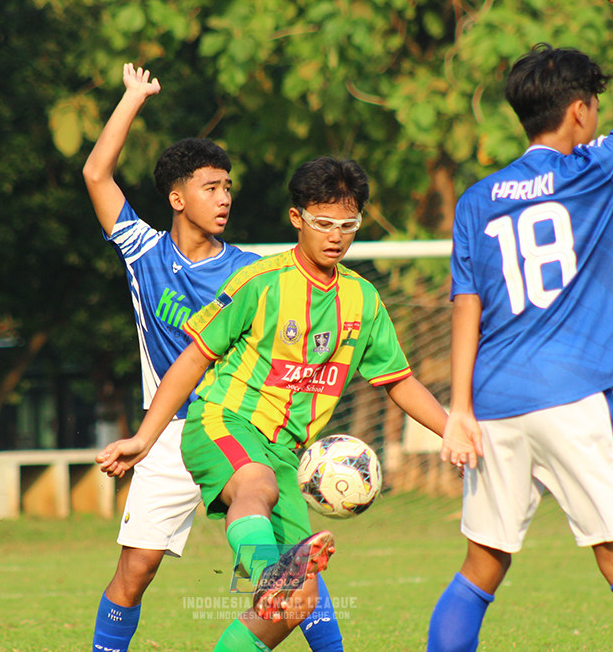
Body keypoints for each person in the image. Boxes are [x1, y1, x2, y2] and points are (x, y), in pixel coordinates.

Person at [98, 156, 457, 651]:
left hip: (288, 453)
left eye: (348, 225)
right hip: (223, 421)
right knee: (256, 487)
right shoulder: (259, 281)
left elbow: (399, 382)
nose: (336, 235)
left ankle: (275, 588)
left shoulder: (363, 300)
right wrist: (145, 437)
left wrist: (454, 429)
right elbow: (191, 360)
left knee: (300, 600)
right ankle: (269, 571)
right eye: (323, 223)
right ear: (297, 219)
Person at [428, 0, 613, 650]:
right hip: (572, 394)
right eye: (594, 104)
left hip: (494, 402)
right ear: (579, 111)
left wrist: (458, 407)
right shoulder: (595, 169)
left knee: (481, 567)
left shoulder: (479, 199)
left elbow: (466, 304)